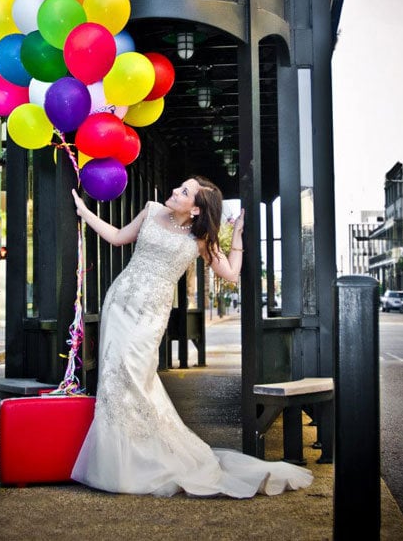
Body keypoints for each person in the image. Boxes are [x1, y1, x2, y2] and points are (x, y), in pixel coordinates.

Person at [70, 175, 313, 498]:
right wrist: (84, 212)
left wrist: (237, 235)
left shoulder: (201, 239)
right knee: (113, 378)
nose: (174, 191)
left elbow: (230, 273)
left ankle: (148, 459)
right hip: (120, 302)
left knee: (135, 377)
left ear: (196, 210)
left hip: (150, 315)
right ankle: (119, 464)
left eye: (183, 192)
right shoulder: (151, 210)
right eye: (179, 187)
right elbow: (117, 237)